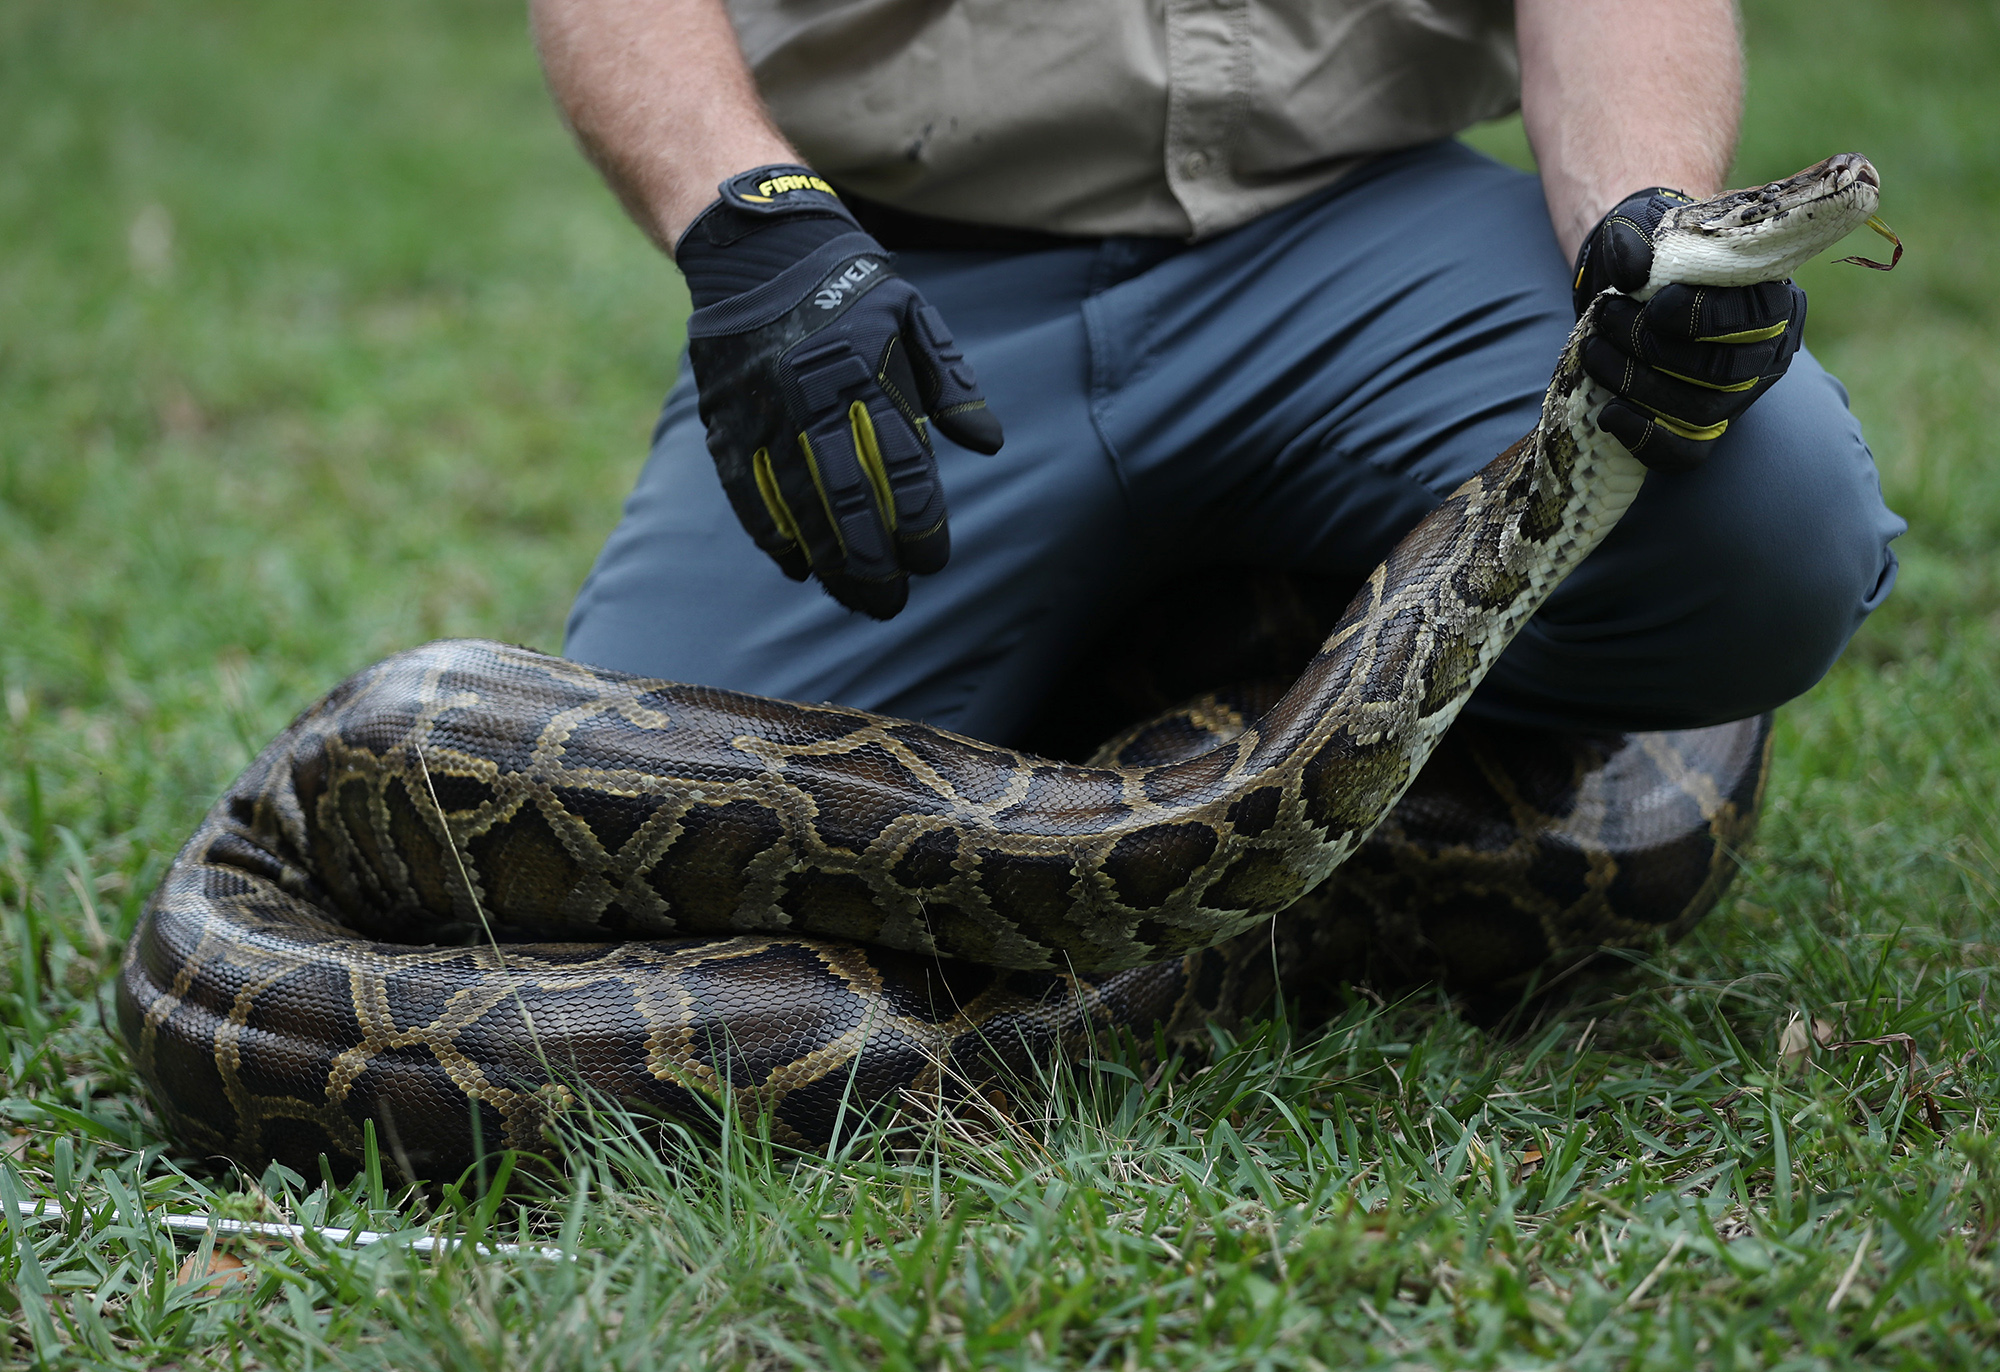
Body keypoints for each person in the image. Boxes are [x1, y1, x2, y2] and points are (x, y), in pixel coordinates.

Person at [534, 0, 1902, 747]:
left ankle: (1156, 658)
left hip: (1365, 242)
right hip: (911, 288)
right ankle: (1234, 630)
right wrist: (745, 216)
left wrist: (1637, 224)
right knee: (639, 799)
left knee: (1770, 530)